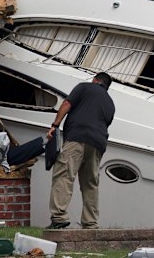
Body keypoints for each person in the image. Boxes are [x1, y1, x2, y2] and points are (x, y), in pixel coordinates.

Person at [45, 72, 115, 229]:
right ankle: (90, 223)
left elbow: (66, 105)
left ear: (95, 80)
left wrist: (55, 125)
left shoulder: (84, 87)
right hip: (98, 144)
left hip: (77, 137)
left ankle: (59, 217)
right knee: (90, 183)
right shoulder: (110, 103)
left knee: (64, 175)